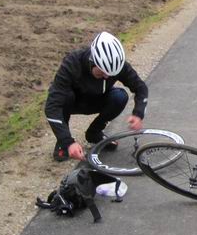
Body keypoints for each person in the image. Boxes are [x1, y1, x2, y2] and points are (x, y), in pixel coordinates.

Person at [45, 31, 148, 162]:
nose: (107, 76)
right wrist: (67, 141)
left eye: (111, 74)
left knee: (120, 96)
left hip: (98, 99)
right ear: (92, 61)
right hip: (74, 102)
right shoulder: (72, 63)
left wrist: (138, 113)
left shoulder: (117, 65)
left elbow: (141, 87)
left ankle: (94, 133)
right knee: (65, 96)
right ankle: (62, 143)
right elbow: (51, 107)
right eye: (103, 72)